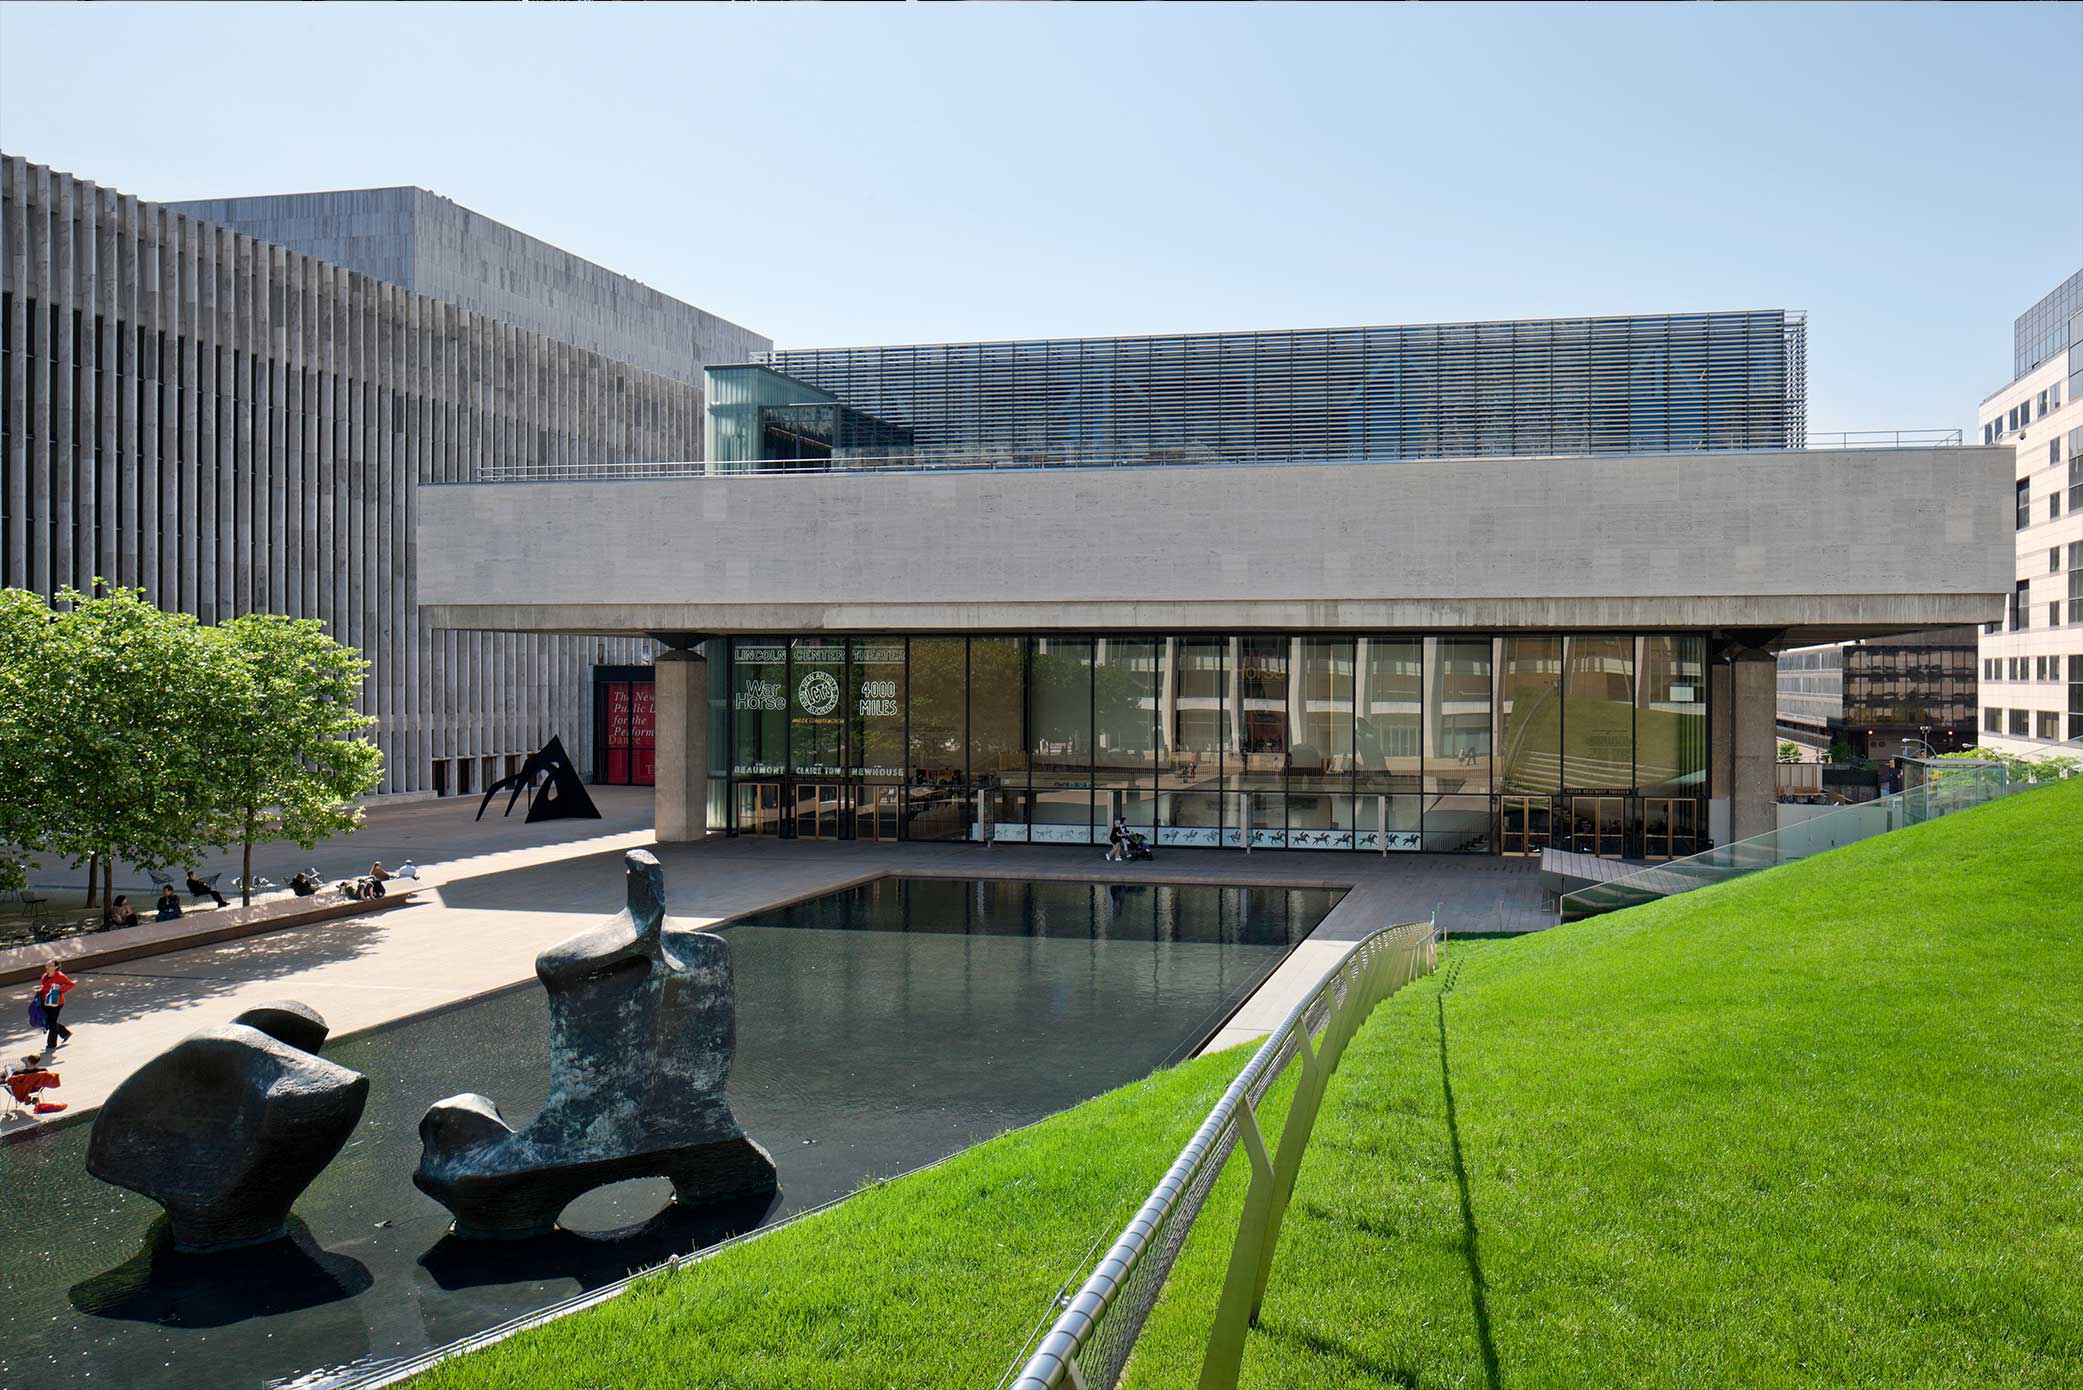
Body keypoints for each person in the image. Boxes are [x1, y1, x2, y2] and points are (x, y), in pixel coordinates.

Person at [36, 962, 76, 1051]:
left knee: (52, 1022)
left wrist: (59, 989)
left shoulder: (60, 976)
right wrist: (40, 990)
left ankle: (51, 1044)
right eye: (47, 965)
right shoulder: (44, 976)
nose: (47, 967)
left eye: (50, 966)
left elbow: (71, 984)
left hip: (56, 1002)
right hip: (45, 1001)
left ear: (56, 967)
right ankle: (65, 1033)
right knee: (48, 1020)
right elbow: (45, 987)